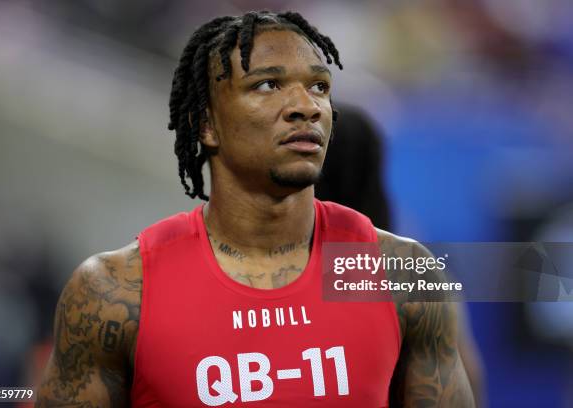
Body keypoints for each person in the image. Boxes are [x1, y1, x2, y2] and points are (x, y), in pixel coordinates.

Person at [36, 10, 474, 407]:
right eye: (268, 84)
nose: (306, 107)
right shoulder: (117, 291)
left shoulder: (399, 271)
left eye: (319, 86)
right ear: (206, 124)